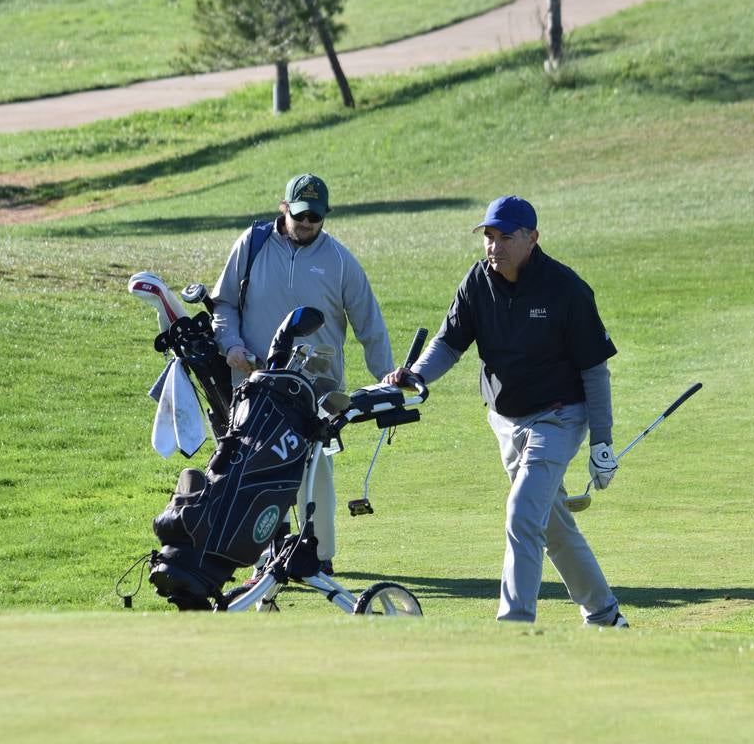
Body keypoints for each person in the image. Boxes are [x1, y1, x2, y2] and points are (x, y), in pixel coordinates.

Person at [385, 195, 627, 627]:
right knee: (550, 524)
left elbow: (594, 369)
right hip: (507, 421)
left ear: (532, 238)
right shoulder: (478, 282)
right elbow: (449, 343)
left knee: (521, 512)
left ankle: (514, 626)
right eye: (489, 237)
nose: (493, 246)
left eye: (504, 237)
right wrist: (418, 375)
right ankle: (606, 616)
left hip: (559, 417)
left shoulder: (565, 288)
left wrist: (602, 441)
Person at [211, 173, 395, 573]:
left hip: (317, 388)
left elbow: (371, 325)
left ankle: (320, 556)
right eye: (300, 216)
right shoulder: (252, 244)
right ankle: (263, 552)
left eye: (315, 217)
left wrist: (387, 381)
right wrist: (231, 346)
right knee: (255, 466)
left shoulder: (340, 260)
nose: (307, 224)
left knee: (315, 467)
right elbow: (223, 304)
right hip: (256, 383)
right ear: (284, 208)